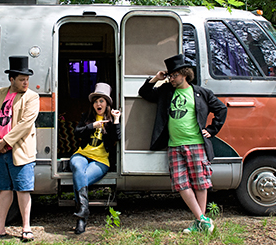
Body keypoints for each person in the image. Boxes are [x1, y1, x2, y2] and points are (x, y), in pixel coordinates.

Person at [138, 54, 227, 234]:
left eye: (174, 75)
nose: (171, 78)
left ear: (184, 74)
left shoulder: (201, 93)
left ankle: (199, 222)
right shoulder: (166, 91)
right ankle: (203, 220)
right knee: (180, 184)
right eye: (170, 75)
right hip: (174, 145)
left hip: (196, 144)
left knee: (200, 183)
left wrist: (212, 130)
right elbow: (144, 93)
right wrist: (156, 78)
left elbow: (221, 109)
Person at [0, 56, 39, 242]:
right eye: (22, 79)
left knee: (23, 189)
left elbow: (26, 123)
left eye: (27, 79)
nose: (26, 82)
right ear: (11, 79)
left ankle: (26, 228)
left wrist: (4, 142)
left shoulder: (32, 97)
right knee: (4, 190)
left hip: (19, 149)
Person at [70, 82, 121, 234]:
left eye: (101, 101)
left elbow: (116, 138)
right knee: (78, 168)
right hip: (82, 154)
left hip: (101, 160)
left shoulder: (111, 119)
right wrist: (92, 126)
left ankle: (81, 218)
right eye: (96, 101)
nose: (98, 104)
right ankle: (83, 213)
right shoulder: (87, 117)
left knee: (80, 178)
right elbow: (77, 132)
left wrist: (116, 121)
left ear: (107, 104)